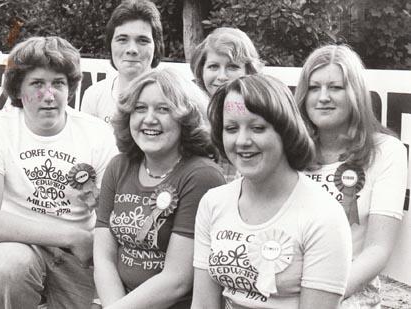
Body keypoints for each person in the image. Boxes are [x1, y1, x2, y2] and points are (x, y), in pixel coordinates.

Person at [0, 36, 118, 309]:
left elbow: (111, 212)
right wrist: (72, 237)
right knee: (10, 266)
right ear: (18, 89)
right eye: (37, 83)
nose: (49, 95)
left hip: (79, 256)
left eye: (58, 83)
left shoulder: (97, 133)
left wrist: (91, 245)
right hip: (18, 244)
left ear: (70, 87)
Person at [192, 74, 352, 308]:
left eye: (257, 128)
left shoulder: (324, 216)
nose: (242, 141)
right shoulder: (212, 203)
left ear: (285, 131)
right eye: (231, 128)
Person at [94, 67, 225, 309]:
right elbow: (104, 257)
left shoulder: (202, 175)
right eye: (139, 108)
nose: (149, 118)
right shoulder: (119, 166)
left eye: (163, 109)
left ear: (186, 118)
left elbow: (177, 280)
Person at [295, 44, 408, 308]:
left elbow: (378, 250)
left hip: (348, 293)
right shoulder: (290, 150)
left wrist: (321, 297)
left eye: (336, 87)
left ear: (355, 93)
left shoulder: (386, 151)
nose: (323, 97)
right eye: (314, 87)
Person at [190, 27, 263, 182]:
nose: (222, 76)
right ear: (201, 71)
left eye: (232, 67)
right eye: (213, 66)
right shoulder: (190, 118)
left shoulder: (261, 118)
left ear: (248, 71)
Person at [81, 0, 164, 126]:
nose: (132, 49)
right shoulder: (94, 96)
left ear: (156, 46)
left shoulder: (173, 96)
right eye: (122, 39)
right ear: (110, 44)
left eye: (142, 40)